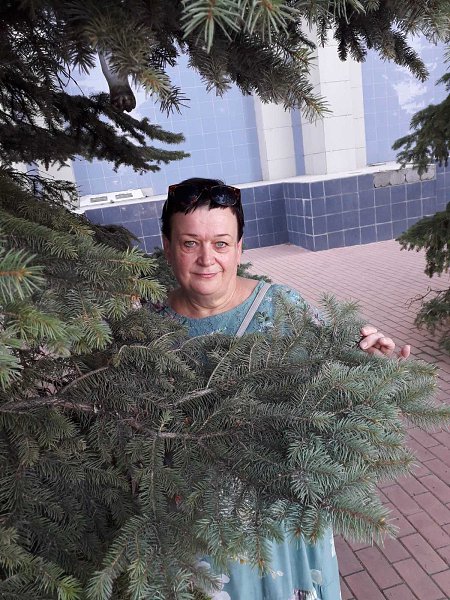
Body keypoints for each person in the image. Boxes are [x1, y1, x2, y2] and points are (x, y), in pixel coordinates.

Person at [160, 177, 411, 600]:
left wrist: (374, 370)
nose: (207, 258)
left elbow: (334, 393)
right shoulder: (147, 329)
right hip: (198, 533)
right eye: (190, 243)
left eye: (221, 243)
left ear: (239, 248)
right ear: (167, 247)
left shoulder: (282, 309)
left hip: (281, 527)